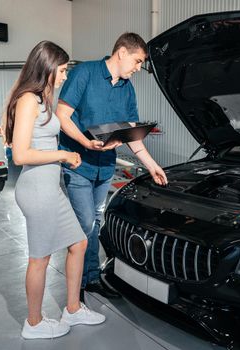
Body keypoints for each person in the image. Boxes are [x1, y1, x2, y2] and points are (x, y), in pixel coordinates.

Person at [4, 41, 105, 339]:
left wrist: (72, 152)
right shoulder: (27, 100)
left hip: (50, 187)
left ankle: (72, 309)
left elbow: (42, 142)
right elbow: (21, 154)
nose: (64, 76)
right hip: (37, 190)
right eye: (61, 71)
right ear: (46, 68)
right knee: (40, 258)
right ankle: (33, 323)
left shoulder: (43, 101)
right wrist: (62, 155)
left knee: (79, 243)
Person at [56, 32, 168, 299]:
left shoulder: (127, 88)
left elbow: (132, 133)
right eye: (138, 61)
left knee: (95, 221)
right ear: (122, 53)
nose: (139, 68)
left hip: (104, 167)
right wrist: (85, 141)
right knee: (84, 224)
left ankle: (92, 278)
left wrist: (152, 165)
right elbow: (62, 115)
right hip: (79, 163)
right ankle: (78, 287)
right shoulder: (84, 73)